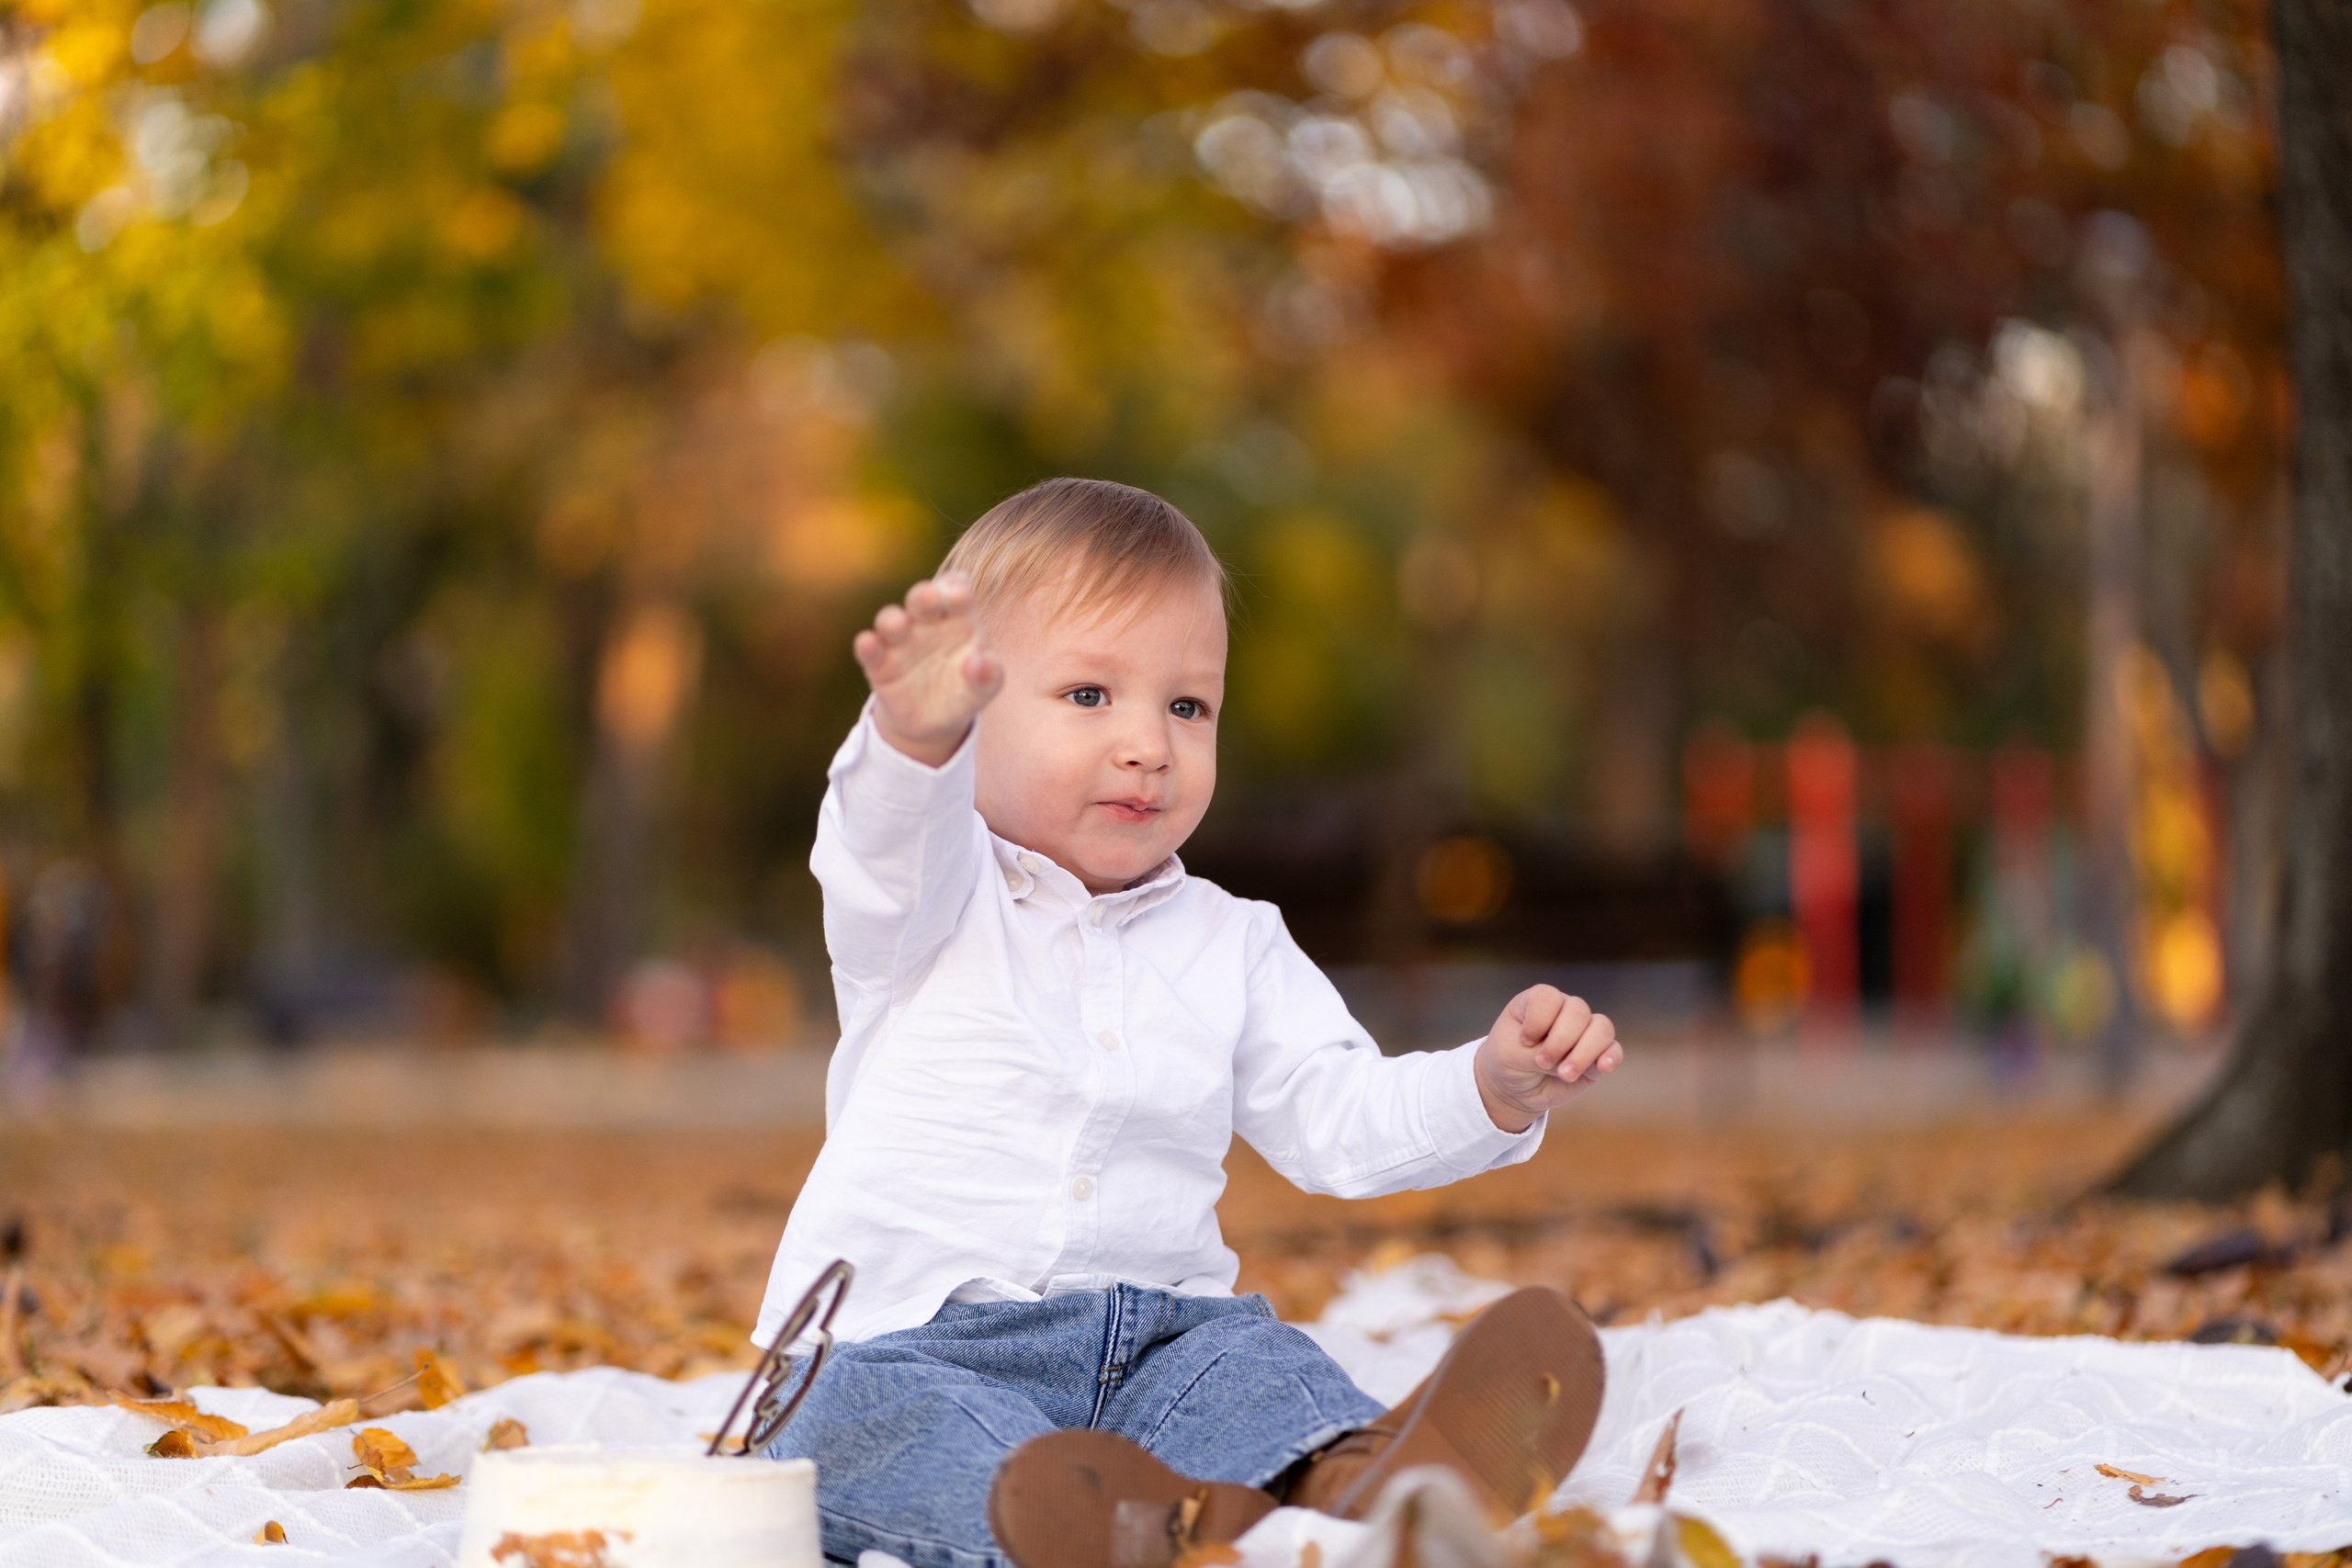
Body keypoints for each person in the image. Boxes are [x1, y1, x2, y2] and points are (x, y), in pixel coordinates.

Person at [756, 478, 1626, 1568]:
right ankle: (1073, 1521)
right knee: (850, 1424)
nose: (1147, 744)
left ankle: (1360, 1482)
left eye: (1186, 706)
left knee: (1257, 1371)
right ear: (971, 715)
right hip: (917, 1342)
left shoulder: (1235, 942)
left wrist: (1491, 1089)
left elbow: (1336, 1113)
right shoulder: (932, 898)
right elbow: (876, 845)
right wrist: (908, 743)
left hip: (1152, 1347)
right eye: (1088, 696)